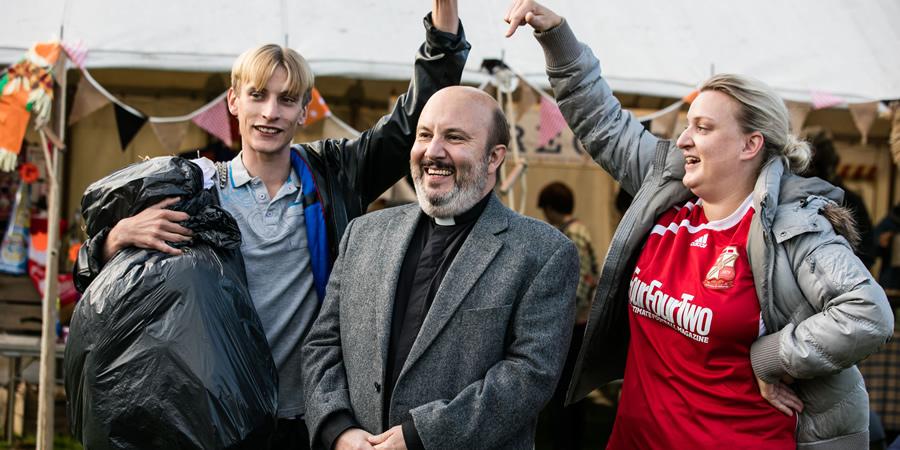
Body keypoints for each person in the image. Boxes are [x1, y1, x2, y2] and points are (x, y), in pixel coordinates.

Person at [73, 2, 469, 448]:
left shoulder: (336, 175)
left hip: (311, 413)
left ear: (304, 111)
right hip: (221, 413)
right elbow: (97, 285)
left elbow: (410, 119)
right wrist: (115, 240)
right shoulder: (196, 190)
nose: (270, 113)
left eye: (287, 100)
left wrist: (444, 25)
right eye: (258, 96)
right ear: (234, 102)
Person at [505, 1, 894, 448]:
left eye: (703, 127)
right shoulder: (668, 191)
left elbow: (868, 313)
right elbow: (602, 121)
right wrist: (556, 36)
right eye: (688, 125)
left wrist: (773, 356)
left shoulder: (792, 228)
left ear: (751, 144)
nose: (684, 138)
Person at [301, 86, 579, 450]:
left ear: (494, 157)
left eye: (454, 137)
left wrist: (421, 436)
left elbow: (529, 377)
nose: (433, 152)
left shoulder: (544, 253)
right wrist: (338, 429)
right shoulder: (364, 232)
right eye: (424, 135)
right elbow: (322, 343)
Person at [537, 181, 598, 450]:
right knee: (570, 394)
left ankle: (568, 442)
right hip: (576, 323)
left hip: (572, 326)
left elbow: (582, 284)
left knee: (564, 393)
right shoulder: (577, 230)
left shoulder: (573, 234)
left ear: (551, 208)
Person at [802, 126, 876, 268]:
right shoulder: (787, 198)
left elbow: (866, 251)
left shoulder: (850, 201)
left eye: (814, 166)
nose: (808, 172)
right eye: (805, 167)